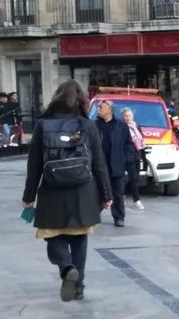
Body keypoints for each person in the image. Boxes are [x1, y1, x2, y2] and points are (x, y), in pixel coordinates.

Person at [22, 80, 112, 302]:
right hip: (83, 190)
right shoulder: (87, 125)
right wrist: (107, 194)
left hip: (52, 190)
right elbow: (99, 163)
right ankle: (78, 286)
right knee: (80, 239)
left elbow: (33, 166)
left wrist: (28, 197)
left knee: (52, 236)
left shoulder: (42, 125)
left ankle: (65, 266)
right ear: (81, 100)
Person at [94, 99, 134, 227]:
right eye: (98, 107)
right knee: (96, 191)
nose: (98, 109)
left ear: (109, 110)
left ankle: (119, 217)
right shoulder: (93, 125)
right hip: (99, 166)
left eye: (101, 107)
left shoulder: (121, 125)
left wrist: (126, 160)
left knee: (117, 193)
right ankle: (93, 215)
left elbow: (128, 144)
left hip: (116, 165)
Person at [120, 107, 145, 210]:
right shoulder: (121, 128)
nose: (128, 118)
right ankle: (136, 200)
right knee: (130, 179)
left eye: (129, 115)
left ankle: (124, 196)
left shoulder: (136, 127)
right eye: (125, 116)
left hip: (136, 156)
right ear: (122, 117)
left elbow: (141, 143)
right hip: (126, 157)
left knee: (135, 179)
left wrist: (143, 158)